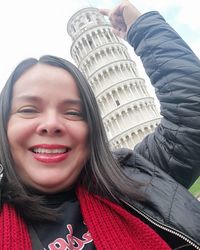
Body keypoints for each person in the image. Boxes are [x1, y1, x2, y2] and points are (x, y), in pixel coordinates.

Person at [0, 0, 200, 249]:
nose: (51, 124)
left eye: (73, 112)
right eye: (29, 110)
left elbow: (192, 112)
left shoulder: (131, 181)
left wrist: (143, 28)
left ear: (91, 128)